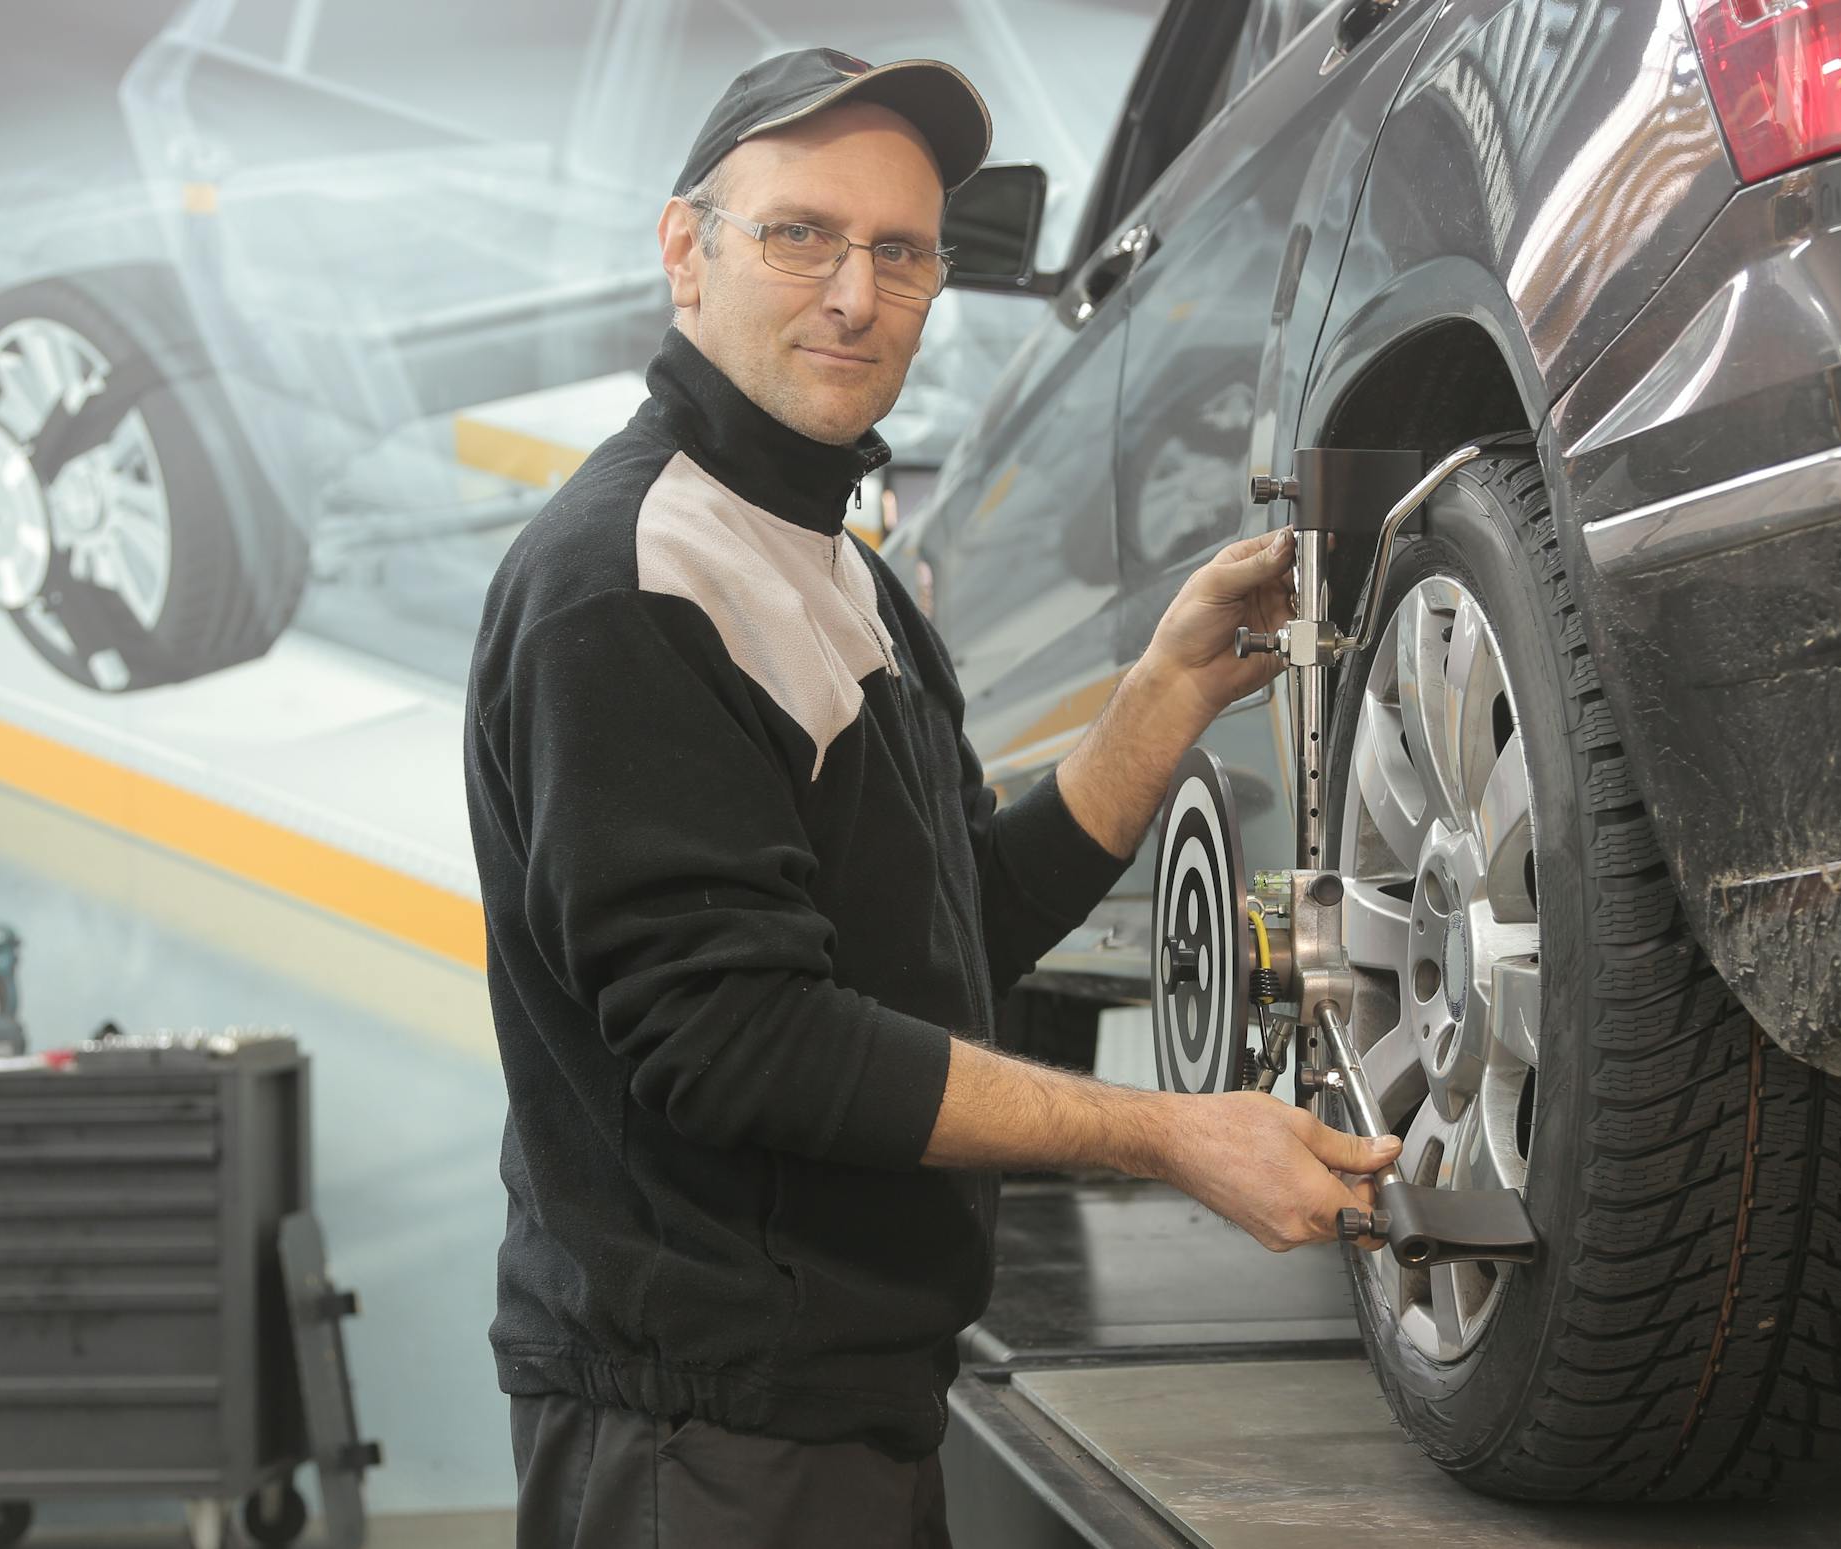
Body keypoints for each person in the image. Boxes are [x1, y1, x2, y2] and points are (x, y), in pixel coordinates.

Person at [463, 47, 1401, 1549]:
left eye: (902, 253)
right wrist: (1167, 1135)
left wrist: (1157, 698)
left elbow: (962, 919)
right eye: (801, 235)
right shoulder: (627, 579)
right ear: (683, 250)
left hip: (843, 1408)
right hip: (702, 1438)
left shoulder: (851, 582)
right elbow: (742, 1042)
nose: (855, 294)